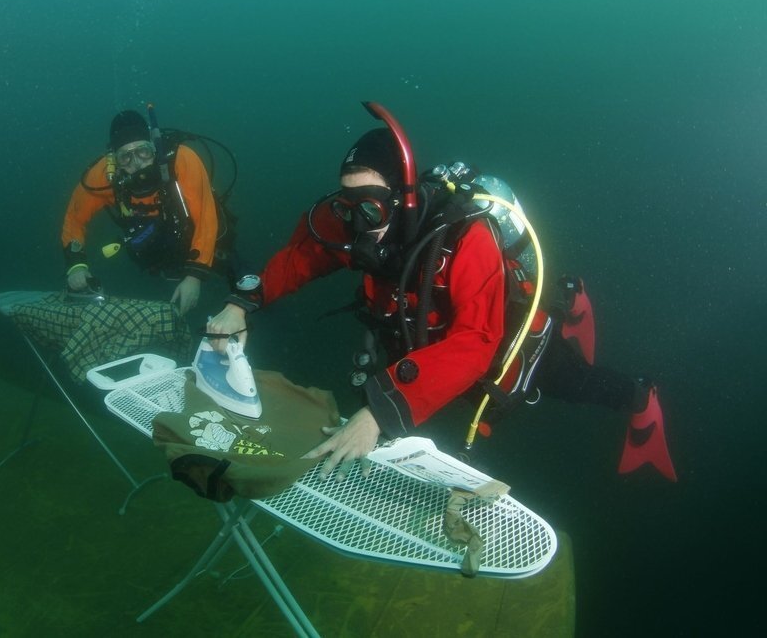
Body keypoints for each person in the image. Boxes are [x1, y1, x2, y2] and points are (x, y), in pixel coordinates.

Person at [207, 104, 676, 483]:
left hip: (499, 332)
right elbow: (301, 257)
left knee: (564, 380)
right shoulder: (357, 220)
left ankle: (638, 395)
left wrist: (378, 415)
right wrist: (243, 302)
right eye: (345, 203)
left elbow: (476, 341)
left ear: (401, 197)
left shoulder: (466, 237)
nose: (355, 222)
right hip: (420, 338)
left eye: (368, 207)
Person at [61, 108, 221, 316]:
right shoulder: (104, 175)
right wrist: (77, 265)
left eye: (143, 152)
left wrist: (194, 276)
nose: (137, 163)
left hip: (202, 242)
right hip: (151, 256)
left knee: (233, 269)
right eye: (125, 157)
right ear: (114, 161)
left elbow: (206, 218)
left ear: (154, 148)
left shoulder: (182, 159)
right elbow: (74, 218)